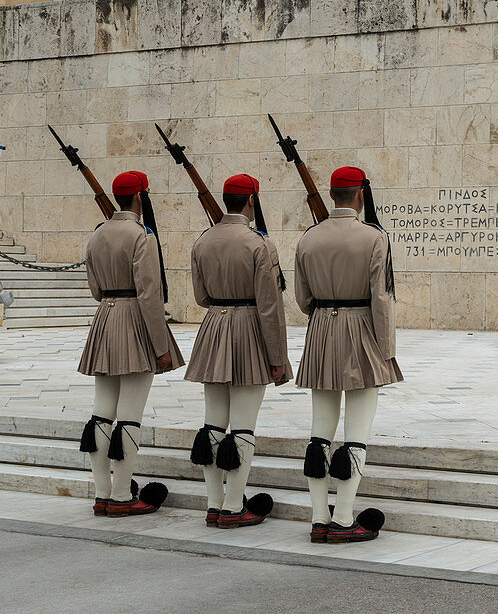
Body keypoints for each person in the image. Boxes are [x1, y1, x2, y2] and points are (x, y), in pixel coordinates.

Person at [294, 166, 397, 544]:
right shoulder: (374, 237)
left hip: (321, 328)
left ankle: (319, 517)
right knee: (356, 433)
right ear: (360, 195)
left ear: (333, 193)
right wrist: (386, 349)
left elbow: (303, 299)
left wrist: (325, 314)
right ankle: (343, 517)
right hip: (361, 330)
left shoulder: (309, 237)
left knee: (319, 433)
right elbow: (381, 298)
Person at [186, 174, 289, 529]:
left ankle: (214, 504)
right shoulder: (259, 243)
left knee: (213, 425)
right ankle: (233, 506)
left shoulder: (202, 241)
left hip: (214, 327)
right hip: (247, 329)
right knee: (243, 427)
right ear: (251, 201)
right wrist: (278, 358)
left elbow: (201, 298)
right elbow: (270, 307)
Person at [77, 171, 182, 516]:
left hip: (104, 320)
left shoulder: (97, 234)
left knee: (101, 414)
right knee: (129, 416)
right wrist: (160, 345)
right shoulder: (142, 235)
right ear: (140, 197)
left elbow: (94, 289)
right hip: (134, 320)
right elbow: (150, 295)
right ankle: (122, 496)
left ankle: (102, 493)